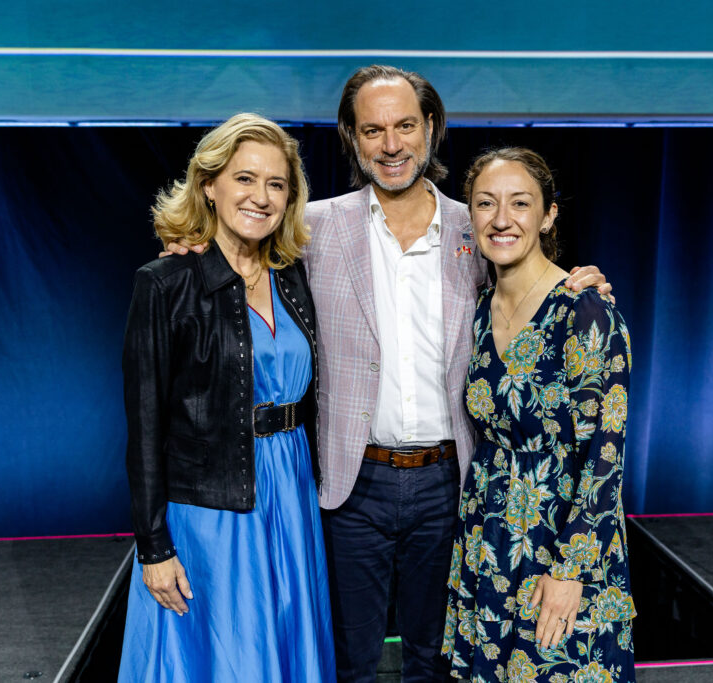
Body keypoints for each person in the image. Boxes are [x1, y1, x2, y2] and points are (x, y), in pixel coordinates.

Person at [165, 65, 613, 682]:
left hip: (451, 485)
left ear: (429, 127)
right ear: (351, 137)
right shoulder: (311, 228)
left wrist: (577, 284)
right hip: (354, 485)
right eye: (373, 130)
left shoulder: (476, 225)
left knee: (436, 658)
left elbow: (529, 280)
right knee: (350, 660)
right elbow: (237, 249)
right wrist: (189, 248)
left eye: (405, 125)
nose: (391, 143)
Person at [120, 113, 334, 682]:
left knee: (286, 642)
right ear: (209, 185)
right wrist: (154, 547)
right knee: (225, 655)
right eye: (244, 179)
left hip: (290, 492)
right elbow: (143, 427)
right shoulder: (165, 283)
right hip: (211, 509)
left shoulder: (293, 275)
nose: (260, 197)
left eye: (276, 184)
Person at [442, 148, 635, 682]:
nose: (501, 219)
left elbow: (606, 455)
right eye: (486, 203)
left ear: (548, 214)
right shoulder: (480, 307)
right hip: (488, 537)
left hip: (560, 542)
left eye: (520, 203)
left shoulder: (586, 310)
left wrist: (570, 571)